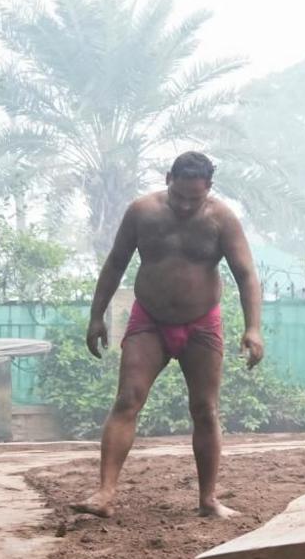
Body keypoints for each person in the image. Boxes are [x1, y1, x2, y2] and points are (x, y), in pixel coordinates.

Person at [73, 151, 265, 519]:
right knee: (127, 399)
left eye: (195, 198)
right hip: (150, 321)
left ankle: (208, 499)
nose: (185, 205)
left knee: (204, 409)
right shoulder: (142, 211)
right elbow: (115, 263)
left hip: (202, 324)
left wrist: (253, 328)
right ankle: (105, 493)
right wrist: (96, 316)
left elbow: (246, 275)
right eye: (179, 196)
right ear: (167, 179)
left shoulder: (222, 218)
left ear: (208, 189)